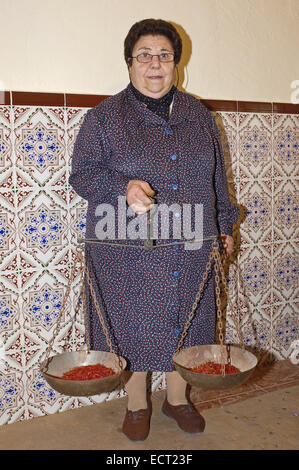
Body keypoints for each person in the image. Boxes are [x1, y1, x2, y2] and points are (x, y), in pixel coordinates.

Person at [69, 18, 239, 441]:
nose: (155, 64)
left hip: (193, 247)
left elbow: (216, 180)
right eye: (144, 55)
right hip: (128, 251)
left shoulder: (199, 115)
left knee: (190, 324)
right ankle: (137, 405)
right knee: (131, 327)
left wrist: (223, 226)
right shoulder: (105, 118)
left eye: (164, 55)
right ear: (129, 63)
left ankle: (177, 400)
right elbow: (82, 175)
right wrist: (121, 188)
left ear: (177, 63)